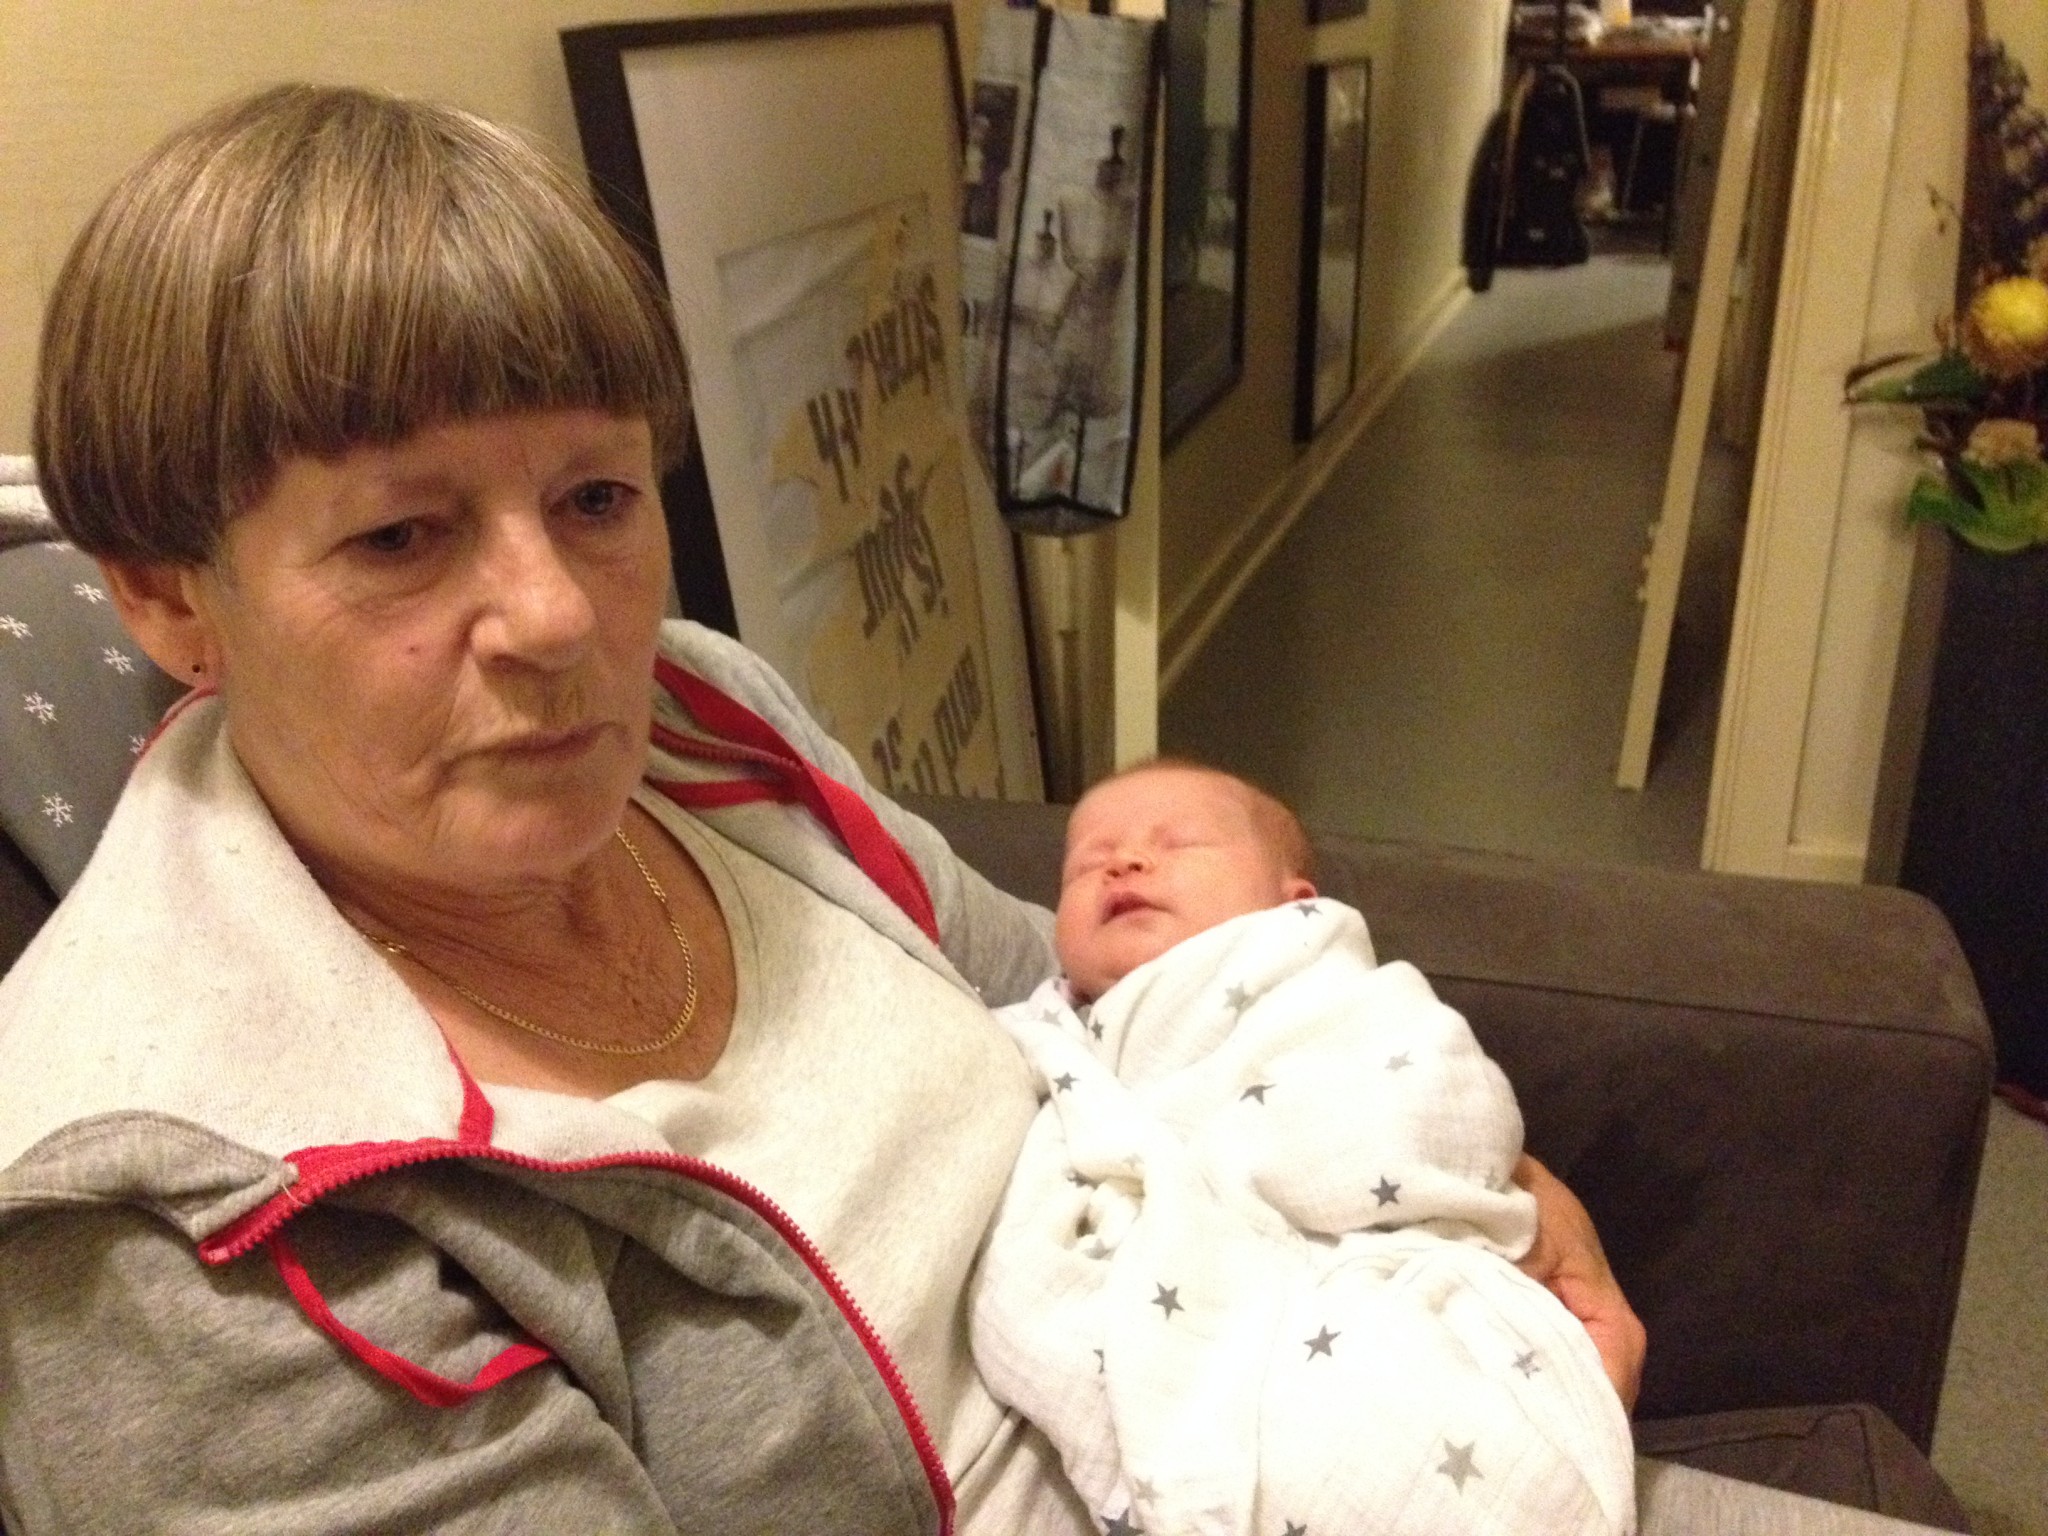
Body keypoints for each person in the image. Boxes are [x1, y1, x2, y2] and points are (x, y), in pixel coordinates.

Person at [14, 80, 1922, 1536]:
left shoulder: (699, 723)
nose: (560, 620)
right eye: (400, 537)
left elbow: (1051, 980)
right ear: (172, 595)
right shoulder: (184, 1240)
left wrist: (1461, 1189)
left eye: (594, 496)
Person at [970, 760, 1636, 1535]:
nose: (1124, 863)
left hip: (1393, 1288)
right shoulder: (1045, 1040)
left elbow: (1433, 1099)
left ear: (1294, 905)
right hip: (1212, 1314)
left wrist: (1225, 1173)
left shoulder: (1320, 988)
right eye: (1088, 862)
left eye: (1178, 843)